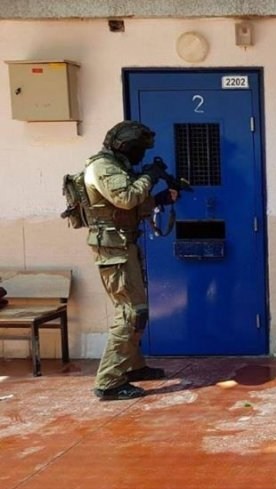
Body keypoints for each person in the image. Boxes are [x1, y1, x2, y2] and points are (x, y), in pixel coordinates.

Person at [84, 121, 178, 401]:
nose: (141, 155)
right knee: (131, 312)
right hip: (114, 250)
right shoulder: (103, 167)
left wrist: (159, 198)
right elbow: (125, 198)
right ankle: (109, 381)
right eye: (139, 149)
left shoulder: (117, 166)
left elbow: (128, 208)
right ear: (124, 146)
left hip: (124, 247)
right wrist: (149, 176)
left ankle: (132, 366)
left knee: (137, 309)